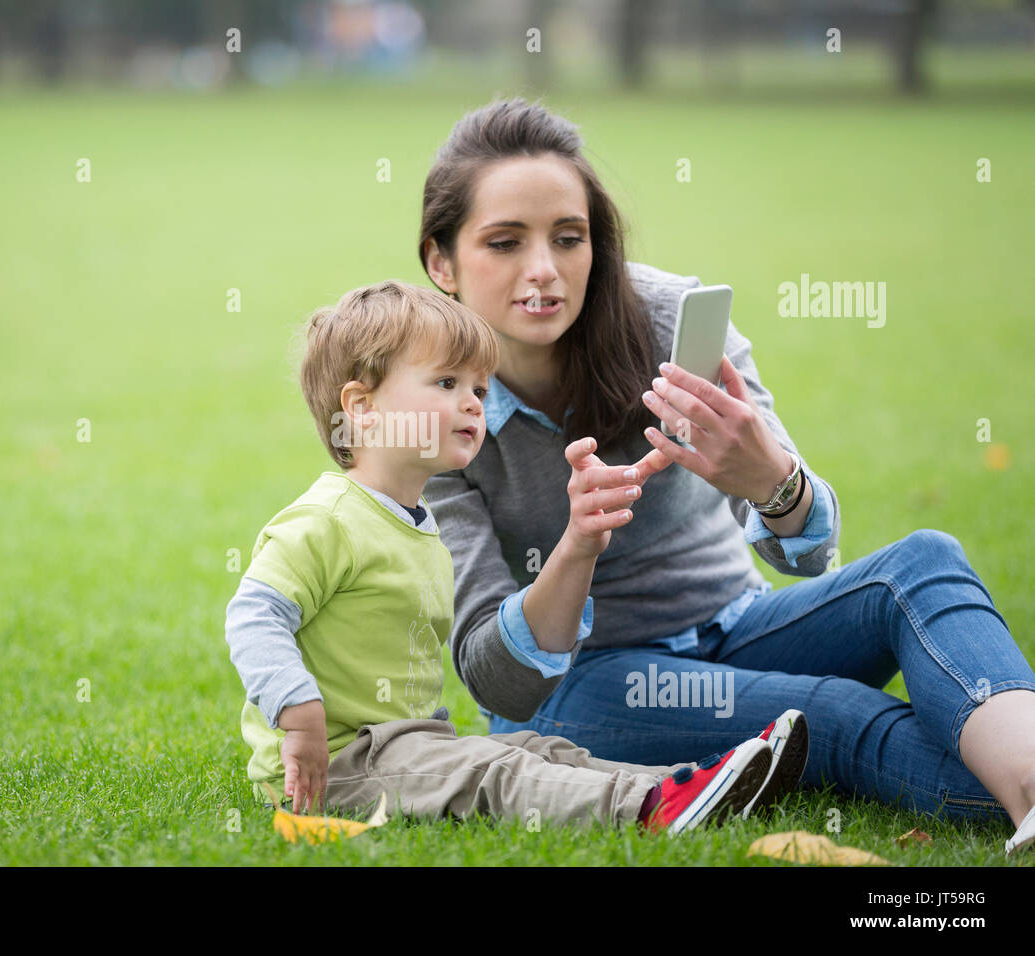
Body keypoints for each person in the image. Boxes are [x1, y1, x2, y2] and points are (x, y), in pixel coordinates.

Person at [417, 97, 1035, 855]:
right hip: (586, 686)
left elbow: (808, 556)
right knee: (828, 716)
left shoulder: (675, 319)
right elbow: (498, 681)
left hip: (738, 628)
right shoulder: (431, 410)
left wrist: (771, 481)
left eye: (568, 238)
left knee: (924, 562)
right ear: (440, 261)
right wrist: (577, 548)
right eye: (504, 242)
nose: (543, 270)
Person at [223, 279, 807, 835]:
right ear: (363, 406)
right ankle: (650, 809)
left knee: (535, 748)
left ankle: (684, 787)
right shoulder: (327, 518)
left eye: (479, 389)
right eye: (447, 383)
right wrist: (298, 714)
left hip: (406, 744)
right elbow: (253, 614)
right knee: (494, 771)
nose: (475, 404)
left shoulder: (417, 522)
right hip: (332, 768)